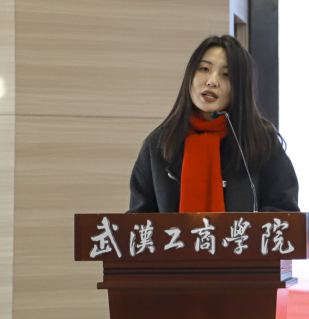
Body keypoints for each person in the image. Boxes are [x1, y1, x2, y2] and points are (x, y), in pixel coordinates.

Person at [127, 35, 299, 213]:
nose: (212, 81)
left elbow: (284, 212)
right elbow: (138, 222)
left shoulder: (262, 141)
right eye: (204, 69)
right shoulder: (159, 144)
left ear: (240, 87)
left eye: (226, 75)